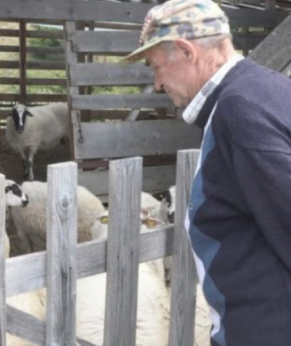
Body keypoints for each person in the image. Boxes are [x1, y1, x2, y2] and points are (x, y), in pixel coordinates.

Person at [123, 0, 291, 345]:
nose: (156, 84)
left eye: (156, 66)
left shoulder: (238, 111)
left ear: (186, 51)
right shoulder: (268, 90)